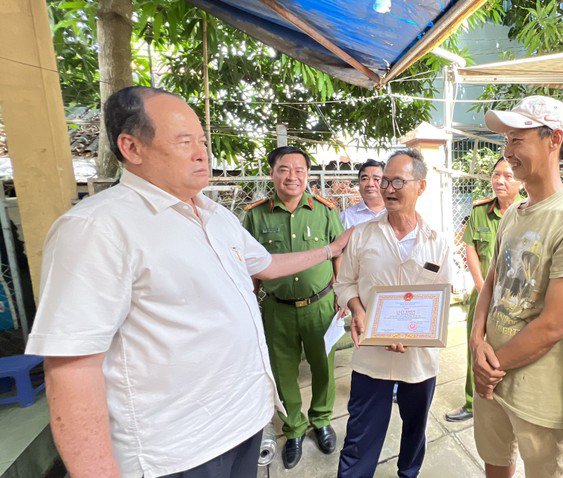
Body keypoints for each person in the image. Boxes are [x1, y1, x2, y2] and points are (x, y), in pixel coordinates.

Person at [24, 86, 351, 478]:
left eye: (202, 141)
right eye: (184, 141)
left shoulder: (216, 216)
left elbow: (267, 264)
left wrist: (330, 250)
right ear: (132, 147)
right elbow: (71, 366)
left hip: (244, 426)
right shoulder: (97, 229)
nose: (202, 153)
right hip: (177, 453)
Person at [470, 96, 563, 478]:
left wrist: (490, 367)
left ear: (554, 140)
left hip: (539, 391)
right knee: (495, 461)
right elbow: (493, 282)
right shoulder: (514, 211)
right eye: (507, 141)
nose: (508, 151)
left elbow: (554, 325)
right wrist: (476, 338)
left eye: (518, 139)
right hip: (492, 376)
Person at [335, 149, 452, 478]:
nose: (387, 188)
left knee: (415, 429)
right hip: (371, 355)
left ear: (421, 186)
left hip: (420, 359)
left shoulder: (438, 241)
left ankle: (408, 473)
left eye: (398, 180)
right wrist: (358, 310)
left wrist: (414, 335)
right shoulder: (362, 235)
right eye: (385, 180)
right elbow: (344, 285)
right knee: (360, 437)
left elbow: (440, 297)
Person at [242, 145, 345, 469]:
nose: (292, 177)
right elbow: (249, 266)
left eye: (300, 170)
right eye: (284, 169)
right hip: (277, 309)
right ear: (272, 173)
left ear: (308, 175)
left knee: (324, 367)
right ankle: (295, 428)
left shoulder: (325, 210)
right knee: (283, 373)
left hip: (321, 306)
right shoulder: (255, 215)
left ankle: (322, 419)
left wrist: (341, 296)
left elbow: (339, 252)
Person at [445, 157, 522, 423]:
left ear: (521, 180)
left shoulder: (527, 211)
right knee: (475, 347)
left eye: (508, 175)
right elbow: (470, 249)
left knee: (511, 349)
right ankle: (471, 402)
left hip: (516, 299)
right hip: (483, 295)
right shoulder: (480, 210)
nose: (499, 180)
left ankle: (506, 401)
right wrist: (482, 288)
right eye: (496, 174)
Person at [339, 158, 386, 229]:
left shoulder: (396, 213)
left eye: (376, 179)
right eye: (364, 179)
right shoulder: (346, 217)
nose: (370, 184)